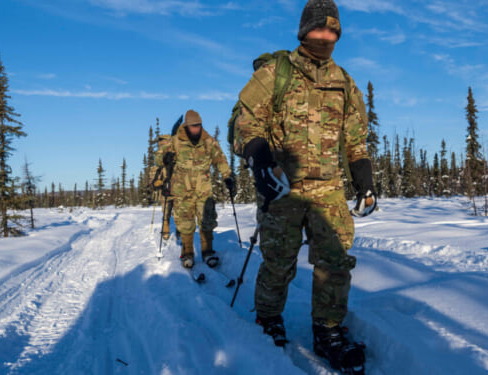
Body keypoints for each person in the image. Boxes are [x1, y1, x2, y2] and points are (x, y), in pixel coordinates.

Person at [232, 0, 376, 373]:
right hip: (283, 187)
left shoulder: (344, 82)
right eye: (319, 29)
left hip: (328, 188)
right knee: (279, 261)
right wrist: (260, 160)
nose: (325, 37)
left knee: (335, 262)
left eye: (333, 31)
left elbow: (356, 138)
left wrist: (364, 181)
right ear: (303, 31)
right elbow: (244, 123)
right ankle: (268, 319)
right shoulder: (275, 72)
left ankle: (328, 331)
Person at [156, 110, 235, 269]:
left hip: (203, 188)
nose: (196, 129)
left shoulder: (208, 141)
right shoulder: (175, 141)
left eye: (198, 126)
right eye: (192, 126)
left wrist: (227, 176)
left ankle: (208, 251)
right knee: (185, 223)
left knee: (207, 220)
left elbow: (220, 159)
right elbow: (159, 158)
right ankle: (187, 253)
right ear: (186, 126)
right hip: (182, 189)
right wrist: (165, 158)